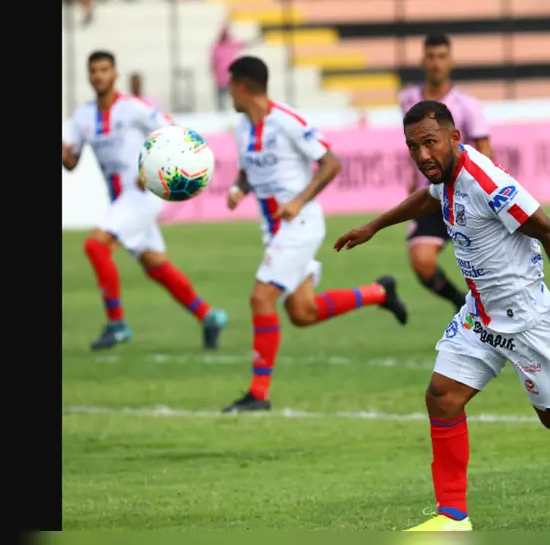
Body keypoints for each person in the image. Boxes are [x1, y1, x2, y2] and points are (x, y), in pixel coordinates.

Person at [334, 101, 550, 532]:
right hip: (481, 312)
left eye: (430, 143)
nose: (422, 155)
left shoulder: (486, 181)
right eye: (413, 146)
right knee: (442, 396)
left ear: (454, 138)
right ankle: (452, 517)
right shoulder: (445, 176)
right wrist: (375, 225)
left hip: (525, 316)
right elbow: (428, 198)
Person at [222, 56, 408, 414]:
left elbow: (332, 163)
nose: (228, 92)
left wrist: (298, 201)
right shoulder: (241, 129)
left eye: (230, 85)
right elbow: (249, 172)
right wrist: (237, 188)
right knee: (302, 312)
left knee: (261, 299)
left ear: (242, 86)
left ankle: (258, 394)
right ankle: (379, 292)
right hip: (273, 230)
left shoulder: (288, 121)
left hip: (300, 224)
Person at [62, 50, 228, 351]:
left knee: (95, 246)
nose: (99, 75)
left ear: (115, 74)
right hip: (119, 200)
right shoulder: (83, 116)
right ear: (88, 76)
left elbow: (173, 132)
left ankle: (117, 323)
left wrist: (152, 168)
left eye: (104, 70)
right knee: (155, 266)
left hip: (141, 195)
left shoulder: (134, 108)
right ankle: (209, 316)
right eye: (94, 71)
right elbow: (70, 162)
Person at [398, 33, 493, 312]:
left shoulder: (466, 104)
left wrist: (484, 189)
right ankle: (460, 304)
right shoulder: (408, 99)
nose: (436, 63)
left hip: (466, 195)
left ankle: (493, 317)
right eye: (431, 57)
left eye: (441, 57)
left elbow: (485, 148)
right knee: (422, 262)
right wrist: (413, 178)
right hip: (430, 195)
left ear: (450, 61)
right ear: (422, 60)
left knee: (487, 268)